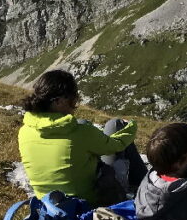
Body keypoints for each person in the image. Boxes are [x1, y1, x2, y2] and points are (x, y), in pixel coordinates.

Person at [18, 69, 145, 206]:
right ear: (59, 101)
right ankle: (145, 187)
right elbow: (117, 144)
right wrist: (132, 126)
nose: (75, 106)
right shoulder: (80, 133)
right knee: (116, 125)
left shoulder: (24, 131)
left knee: (82, 124)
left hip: (50, 205)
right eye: (73, 100)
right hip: (89, 204)